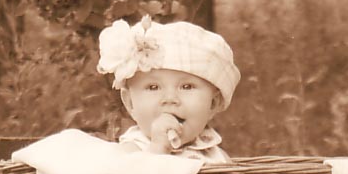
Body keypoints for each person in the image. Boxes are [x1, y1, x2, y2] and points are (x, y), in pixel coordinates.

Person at [96, 16, 240, 163]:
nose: (170, 99)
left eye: (186, 87)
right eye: (153, 87)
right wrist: (159, 148)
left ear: (213, 103)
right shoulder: (131, 151)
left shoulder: (216, 156)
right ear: (130, 103)